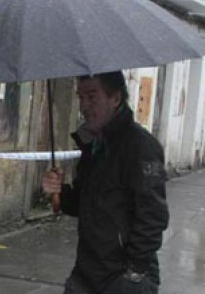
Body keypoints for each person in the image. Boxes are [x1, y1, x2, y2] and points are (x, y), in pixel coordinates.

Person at [41, 71, 169, 294]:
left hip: (124, 278)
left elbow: (153, 216)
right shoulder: (94, 145)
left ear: (116, 98)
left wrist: (134, 273)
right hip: (88, 273)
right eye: (80, 97)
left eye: (92, 96)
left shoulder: (140, 146)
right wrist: (59, 191)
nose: (84, 105)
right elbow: (84, 203)